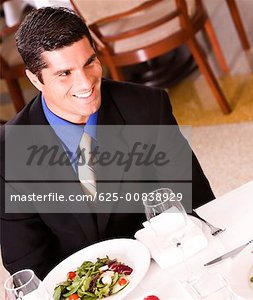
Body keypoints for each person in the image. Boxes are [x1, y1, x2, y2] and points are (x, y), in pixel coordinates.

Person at [0, 7, 215, 279]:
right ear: (35, 78)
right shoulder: (8, 152)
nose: (86, 83)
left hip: (162, 269)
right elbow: (29, 265)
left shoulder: (148, 108)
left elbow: (195, 203)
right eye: (64, 73)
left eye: (90, 62)